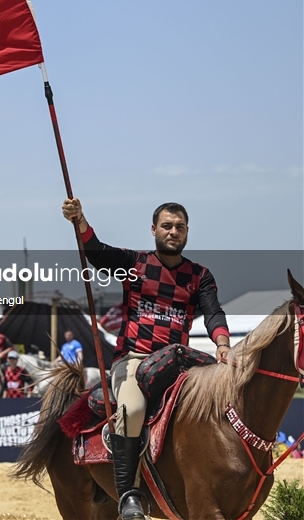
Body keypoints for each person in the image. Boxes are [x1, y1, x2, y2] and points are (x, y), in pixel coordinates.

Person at [62, 198, 230, 520]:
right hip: (134, 361)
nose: (173, 231)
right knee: (133, 409)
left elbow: (213, 313)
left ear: (187, 232)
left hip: (179, 364)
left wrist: (222, 343)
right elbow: (97, 253)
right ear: (154, 230)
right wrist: (80, 220)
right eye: (167, 226)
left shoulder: (200, 276)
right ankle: (129, 496)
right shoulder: (134, 262)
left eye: (179, 227)